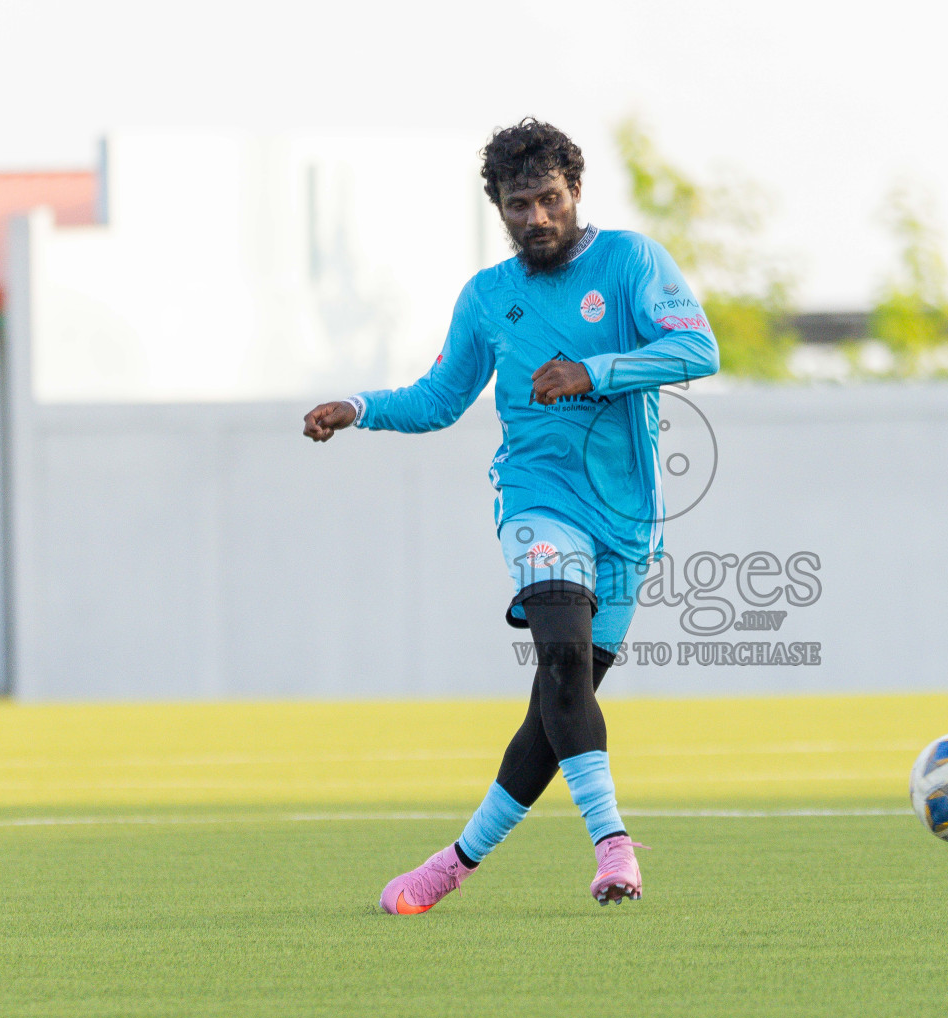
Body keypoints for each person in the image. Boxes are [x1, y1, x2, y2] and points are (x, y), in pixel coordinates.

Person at [303, 119, 719, 913]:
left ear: (576, 193)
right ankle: (613, 846)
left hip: (627, 520)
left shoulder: (630, 262)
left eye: (550, 199)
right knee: (562, 664)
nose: (536, 218)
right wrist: (358, 405)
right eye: (519, 205)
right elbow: (437, 399)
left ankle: (453, 863)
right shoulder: (489, 298)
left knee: (555, 711)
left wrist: (590, 370)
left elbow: (697, 350)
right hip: (536, 501)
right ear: (499, 208)